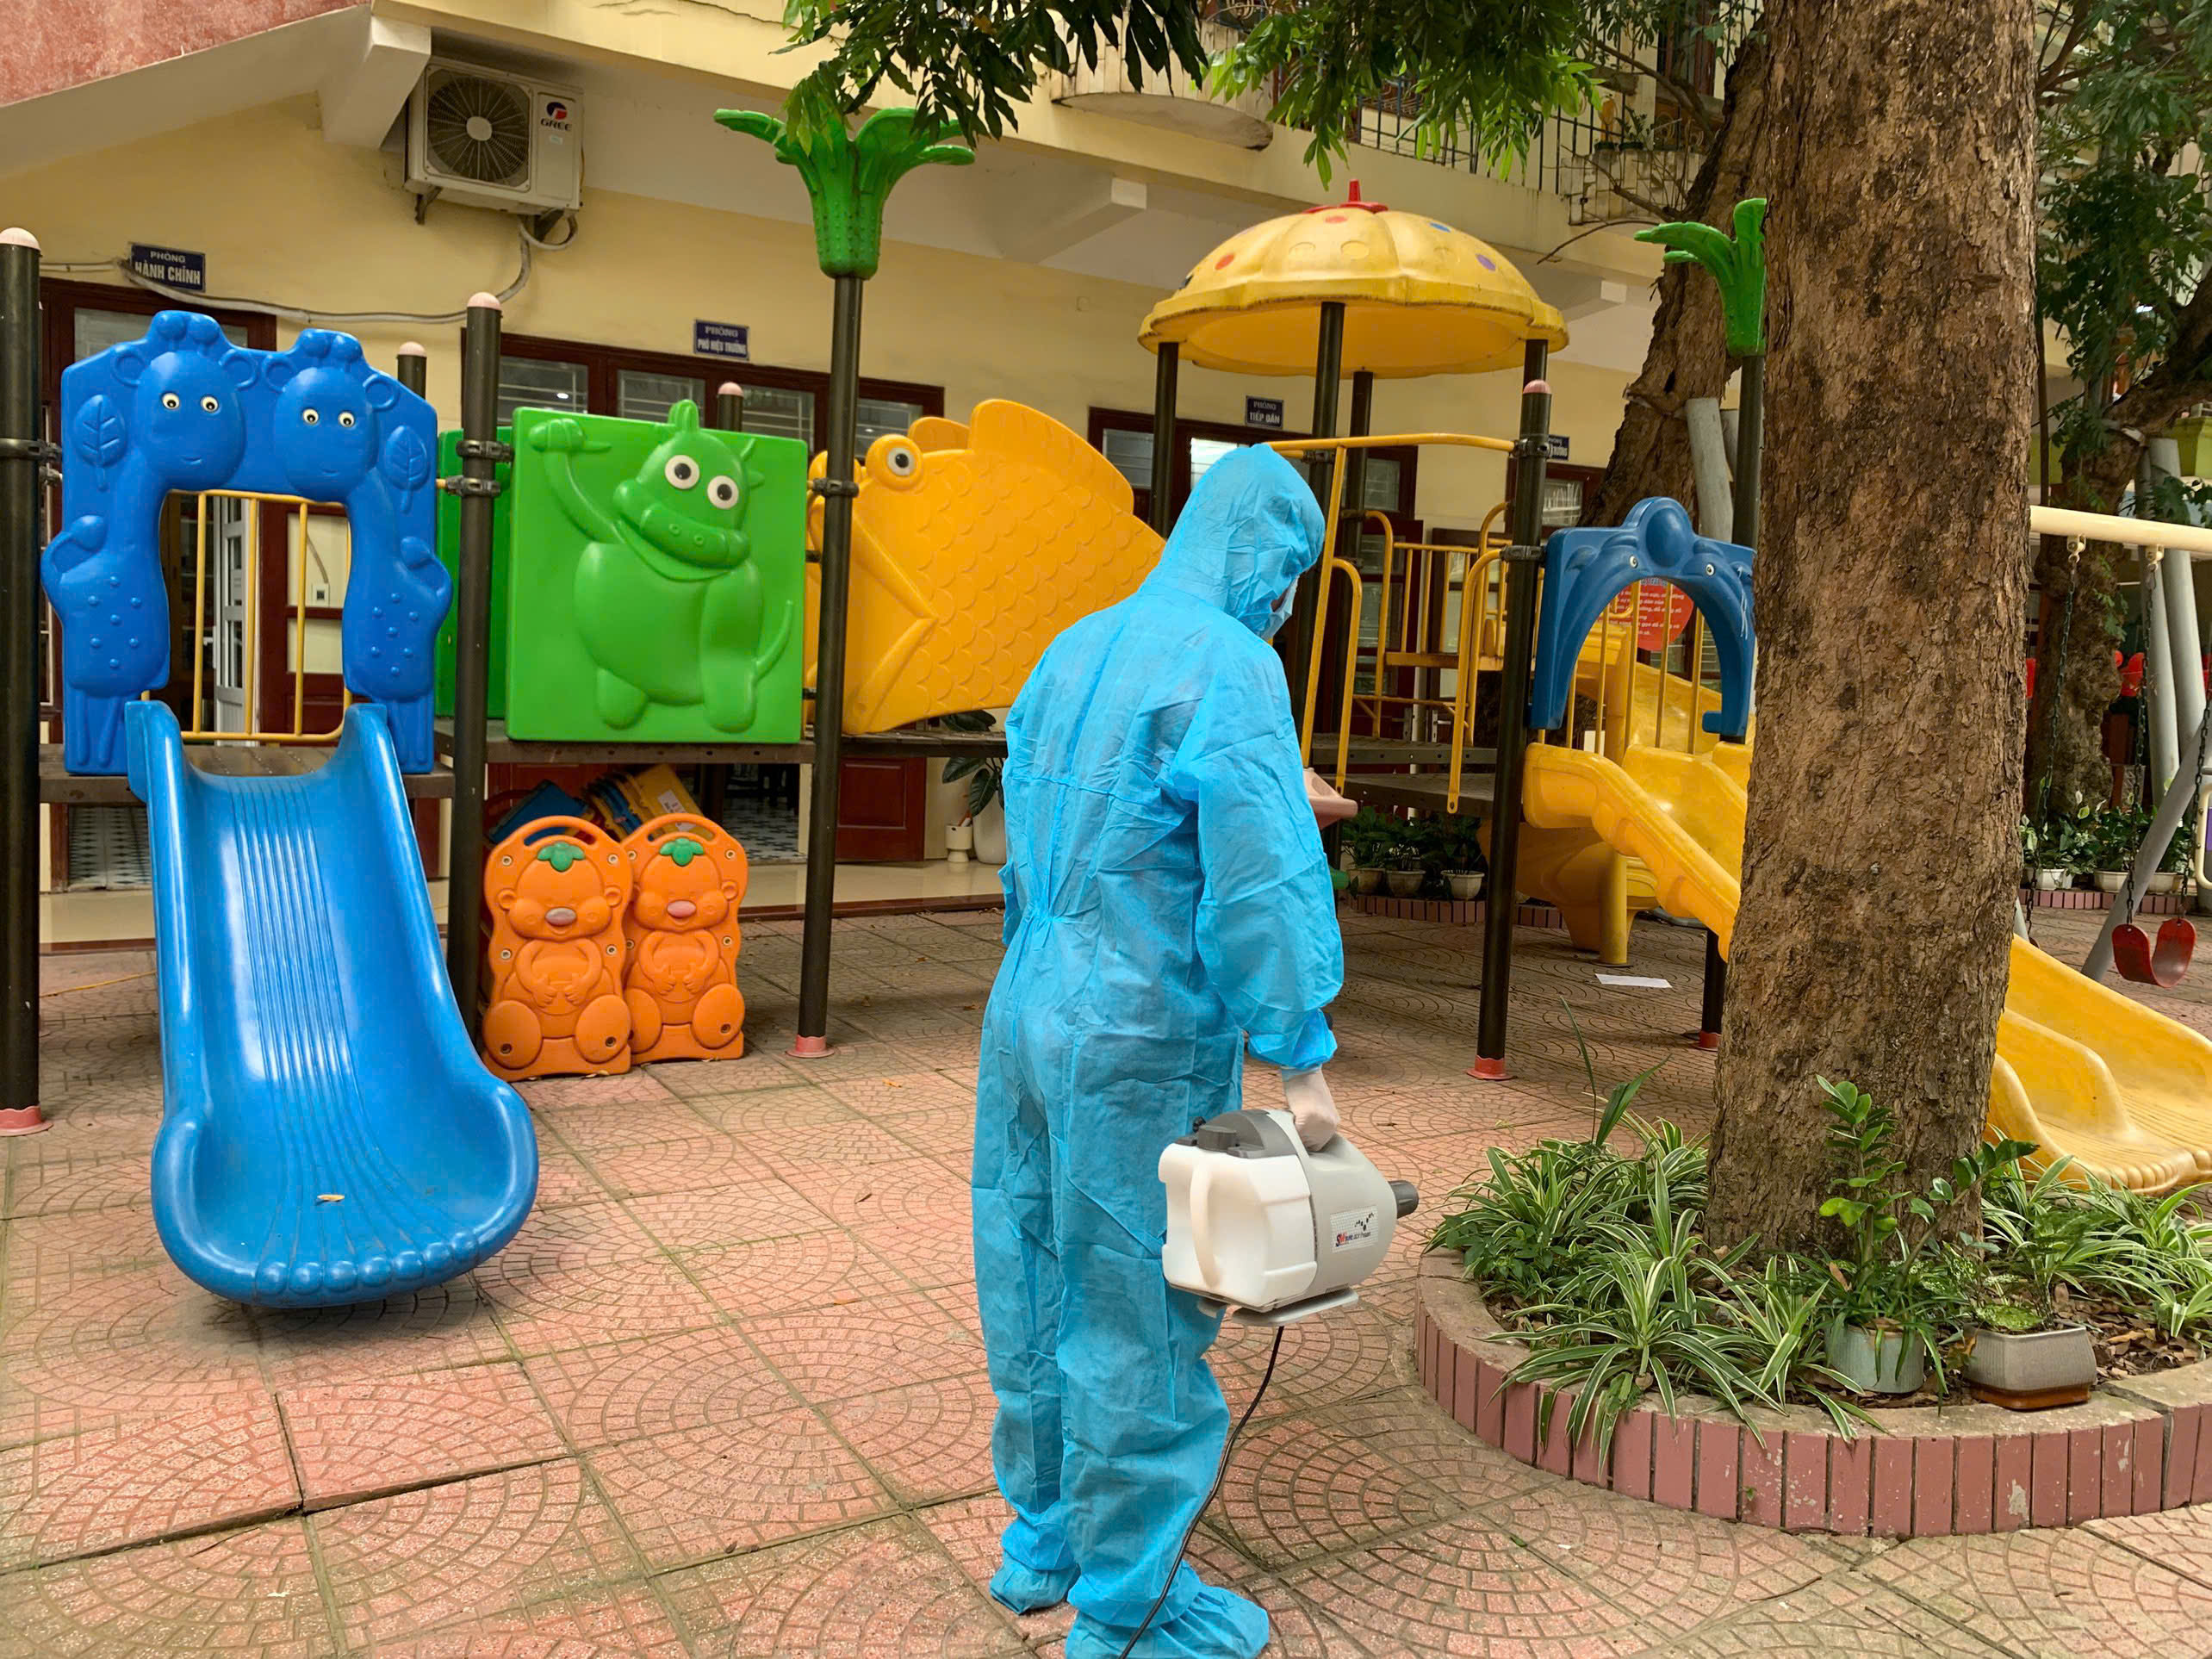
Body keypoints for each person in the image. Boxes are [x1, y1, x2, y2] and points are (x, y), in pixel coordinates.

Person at [972, 444, 1345, 1659]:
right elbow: (1262, 876)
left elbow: (1029, 836)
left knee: (1030, 1266)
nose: (1282, 604)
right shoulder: (1232, 665)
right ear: (1269, 564)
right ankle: (1132, 1606)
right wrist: (1299, 1048)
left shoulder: (1074, 646)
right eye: (1288, 580)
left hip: (1028, 1005)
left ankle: (1043, 1544)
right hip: (1140, 1030)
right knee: (1137, 1301)